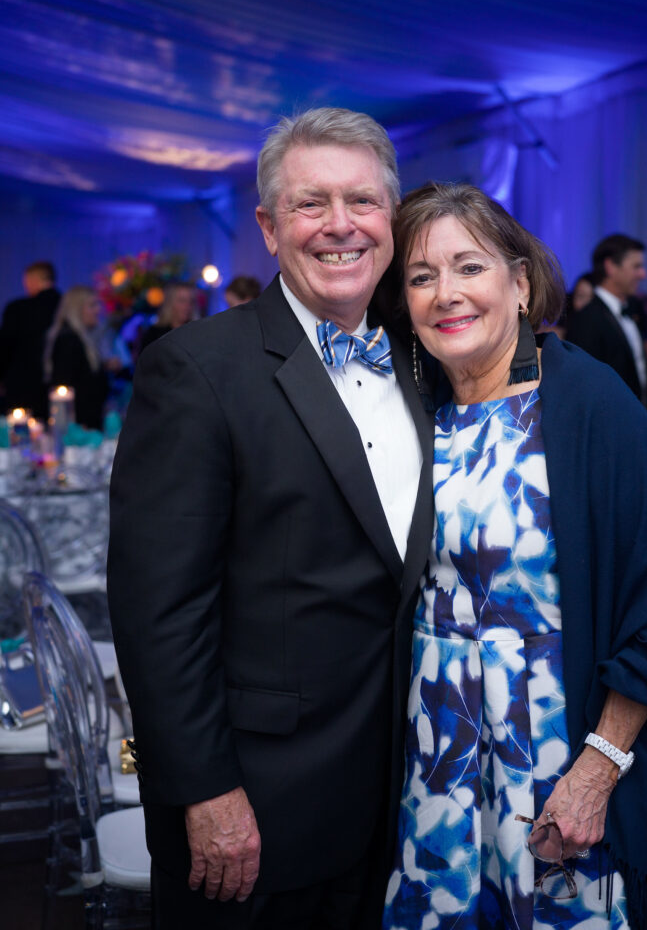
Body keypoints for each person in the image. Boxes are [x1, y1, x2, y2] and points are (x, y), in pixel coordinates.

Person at [107, 107, 434, 929]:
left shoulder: (429, 360)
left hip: (411, 797)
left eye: (361, 202)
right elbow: (158, 613)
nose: (339, 226)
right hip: (260, 804)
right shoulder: (196, 371)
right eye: (309, 203)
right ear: (267, 225)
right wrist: (206, 790)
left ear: (391, 219)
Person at [382, 183, 647, 930]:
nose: (447, 293)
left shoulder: (587, 407)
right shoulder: (419, 414)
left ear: (521, 281)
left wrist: (597, 768)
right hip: (444, 765)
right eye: (421, 276)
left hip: (562, 757)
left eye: (469, 267)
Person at [566, 234, 647, 406]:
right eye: (636, 266)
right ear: (611, 266)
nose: (643, 274)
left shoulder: (633, 311)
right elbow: (584, 386)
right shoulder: (588, 319)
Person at [44, 286, 117, 430]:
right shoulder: (69, 340)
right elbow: (65, 385)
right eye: (92, 305)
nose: (98, 310)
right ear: (76, 310)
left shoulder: (84, 338)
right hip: (80, 427)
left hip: (88, 421)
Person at [0, 260, 61, 417]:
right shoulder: (64, 305)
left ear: (33, 279)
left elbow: (5, 347)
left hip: (22, 385)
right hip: (58, 385)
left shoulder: (17, 309)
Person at [138, 281, 198, 353]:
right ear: (170, 303)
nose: (187, 306)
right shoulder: (155, 335)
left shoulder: (196, 335)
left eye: (191, 301)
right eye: (182, 301)